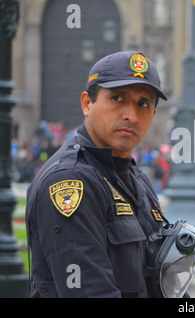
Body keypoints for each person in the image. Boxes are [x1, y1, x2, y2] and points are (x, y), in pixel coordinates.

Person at [26, 51, 169, 297]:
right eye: (117, 98)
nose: (131, 116)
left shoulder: (135, 177)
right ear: (87, 103)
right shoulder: (69, 181)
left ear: (153, 114)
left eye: (143, 104)